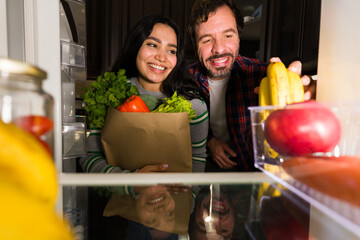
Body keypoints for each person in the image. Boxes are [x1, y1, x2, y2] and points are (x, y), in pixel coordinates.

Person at [187, 0, 315, 172]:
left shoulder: (263, 76)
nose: (218, 49)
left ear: (239, 37)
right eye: (207, 40)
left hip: (253, 179)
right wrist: (210, 141)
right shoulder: (184, 80)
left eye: (228, 35)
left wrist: (311, 92)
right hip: (205, 175)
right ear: (195, 45)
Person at [80, 15, 209, 176]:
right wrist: (130, 182)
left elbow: (197, 159)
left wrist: (189, 197)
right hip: (118, 198)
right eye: (153, 45)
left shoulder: (194, 106)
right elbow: (90, 157)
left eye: (171, 50)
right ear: (136, 46)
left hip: (173, 198)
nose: (161, 57)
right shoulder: (109, 94)